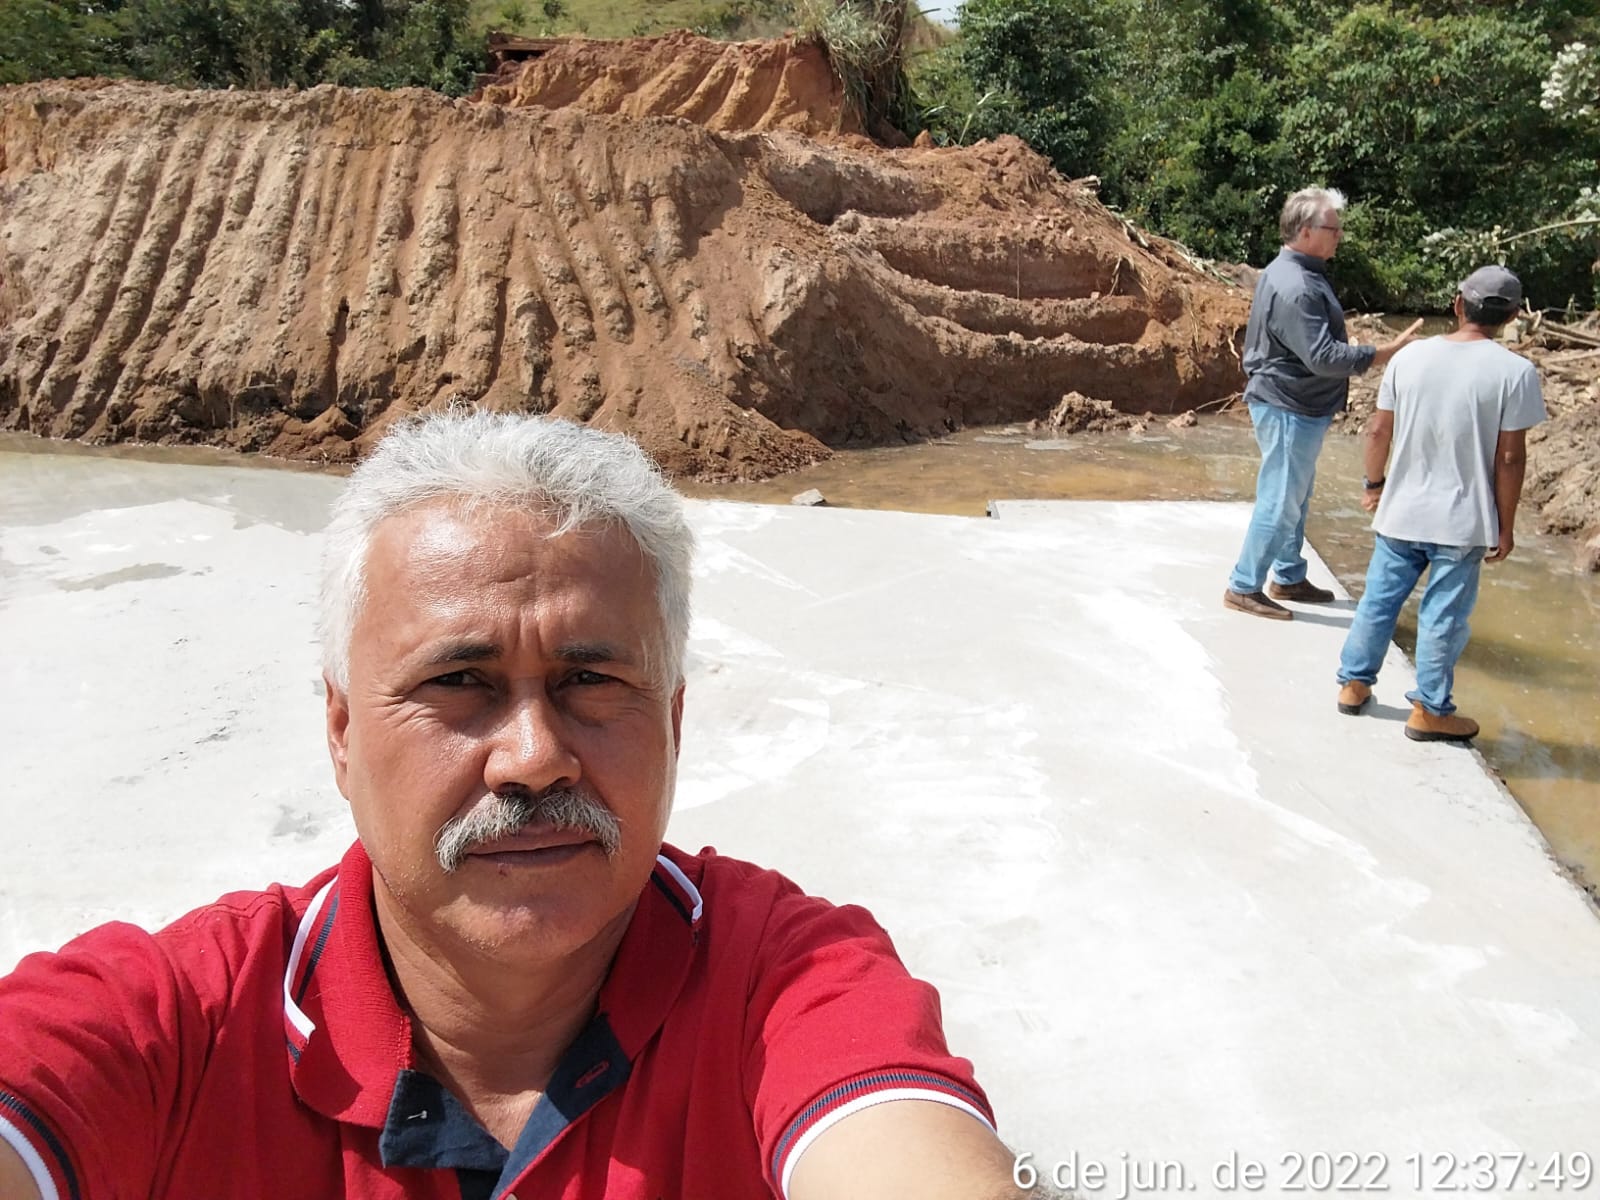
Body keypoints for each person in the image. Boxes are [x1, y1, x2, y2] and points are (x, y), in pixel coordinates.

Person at [0, 411, 1030, 1200]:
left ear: (671, 721)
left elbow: (898, 1136)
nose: (534, 760)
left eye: (591, 684)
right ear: (342, 730)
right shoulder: (181, 1023)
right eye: (460, 683)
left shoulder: (784, 986)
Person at [1336, 266, 1545, 742]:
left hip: (1400, 513)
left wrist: (1374, 485)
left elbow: (1376, 430)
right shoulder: (1515, 372)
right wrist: (1505, 525)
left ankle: (1353, 684)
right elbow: (1509, 458)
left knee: (1378, 602)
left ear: (1456, 304)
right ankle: (1430, 710)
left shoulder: (1408, 360)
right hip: (1462, 521)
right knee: (1443, 617)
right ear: (1512, 316)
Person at [1224, 186, 1424, 620]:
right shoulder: (1297, 285)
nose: (1340, 236)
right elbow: (1324, 357)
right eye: (1334, 228)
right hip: (1288, 404)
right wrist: (1382, 352)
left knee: (1295, 494)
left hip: (1296, 402)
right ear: (1306, 231)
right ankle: (1244, 585)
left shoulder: (1298, 271)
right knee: (1280, 499)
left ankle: (1289, 575)